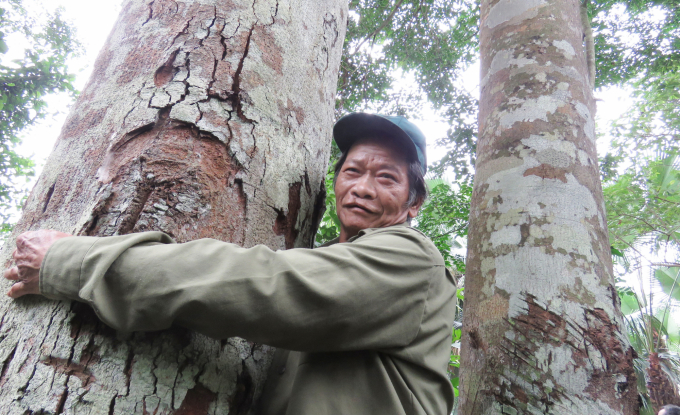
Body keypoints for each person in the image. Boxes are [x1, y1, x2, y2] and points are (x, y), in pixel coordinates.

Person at [4, 113, 457, 415]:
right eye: (353, 171)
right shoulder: (341, 262)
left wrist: (72, 261)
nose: (362, 187)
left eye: (386, 178)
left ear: (414, 202)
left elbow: (262, 284)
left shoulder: (412, 260)